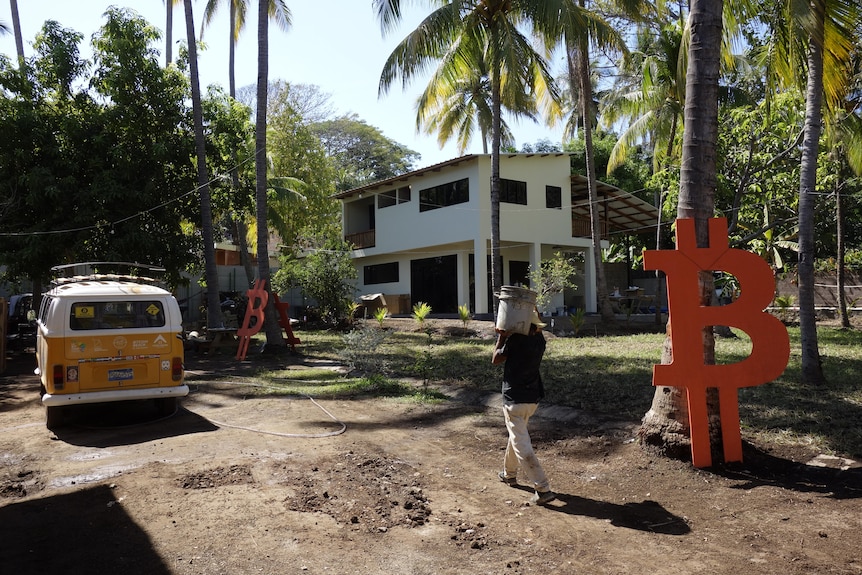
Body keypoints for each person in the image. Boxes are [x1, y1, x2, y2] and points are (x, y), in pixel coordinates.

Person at [491, 308, 555, 505]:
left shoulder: (515, 341)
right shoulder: (540, 341)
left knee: (521, 443)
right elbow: (536, 326)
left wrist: (501, 338)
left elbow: (495, 359)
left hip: (514, 400)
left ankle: (542, 488)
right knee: (516, 436)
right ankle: (509, 474)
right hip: (532, 399)